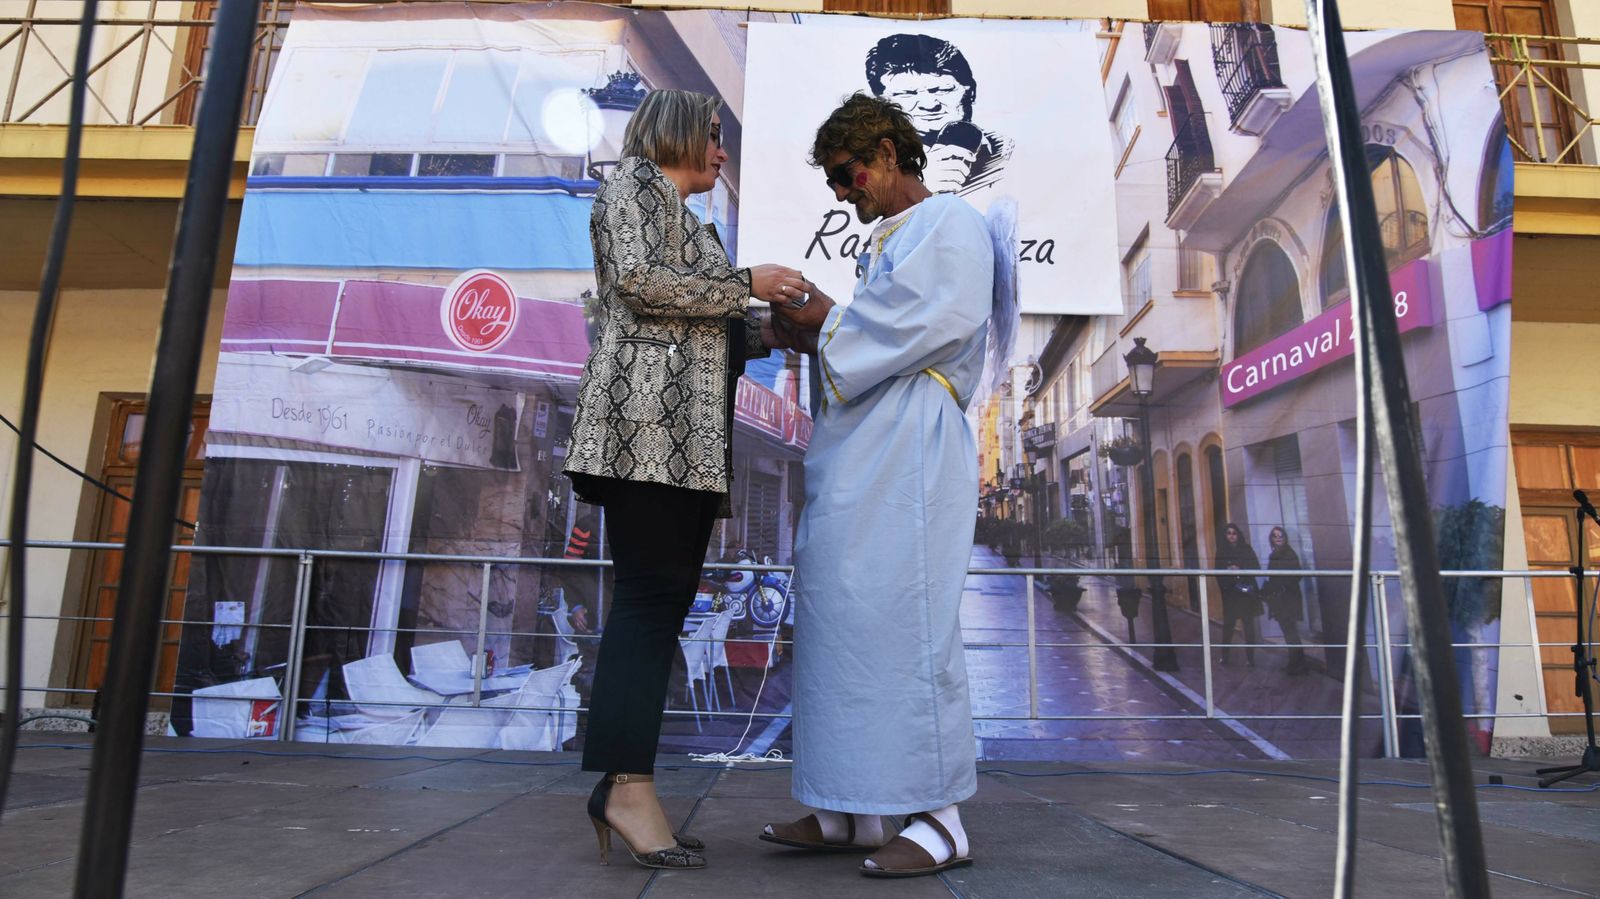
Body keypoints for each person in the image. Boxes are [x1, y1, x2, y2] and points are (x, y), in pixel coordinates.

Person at [562, 88, 805, 870]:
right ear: (673, 131)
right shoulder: (633, 186)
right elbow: (639, 283)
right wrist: (747, 284)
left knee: (659, 606)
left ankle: (626, 784)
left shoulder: (691, 222)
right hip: (645, 436)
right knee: (645, 606)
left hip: (688, 447)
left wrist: (775, 324)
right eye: (711, 135)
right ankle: (625, 786)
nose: (721, 151)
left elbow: (710, 330)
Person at [758, 92, 995, 879]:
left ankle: (941, 817)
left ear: (889, 153)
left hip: (911, 449)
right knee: (842, 617)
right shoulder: (901, 234)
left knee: (906, 616)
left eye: (847, 172)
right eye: (831, 180)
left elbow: (925, 323)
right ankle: (851, 803)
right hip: (863, 451)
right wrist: (818, 328)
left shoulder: (952, 223)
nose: (840, 191)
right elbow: (867, 337)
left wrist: (826, 318)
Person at [865, 34, 1012, 196]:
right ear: (882, 102)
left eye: (943, 90)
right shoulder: (872, 162)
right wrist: (919, 185)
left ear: (970, 92)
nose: (929, 104)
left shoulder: (1006, 151)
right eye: (907, 93)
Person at [1263, 526, 1310, 675]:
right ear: (1271, 539)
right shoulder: (1274, 554)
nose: (1278, 538)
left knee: (1290, 632)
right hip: (1279, 599)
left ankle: (1298, 665)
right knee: (1289, 632)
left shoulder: (1289, 554)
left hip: (1288, 599)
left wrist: (1282, 586)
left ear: (1285, 538)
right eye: (1275, 536)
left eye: (1280, 536)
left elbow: (1297, 575)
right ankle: (1296, 663)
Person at [1215, 523, 1263, 667]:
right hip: (1231, 594)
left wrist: (1240, 568)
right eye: (1228, 533)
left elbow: (1256, 567)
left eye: (1234, 533)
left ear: (1238, 534)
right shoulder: (1222, 551)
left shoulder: (1247, 549)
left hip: (1245, 593)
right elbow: (1217, 573)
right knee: (1228, 626)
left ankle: (1250, 658)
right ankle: (1225, 657)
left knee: (1248, 625)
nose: (1231, 536)